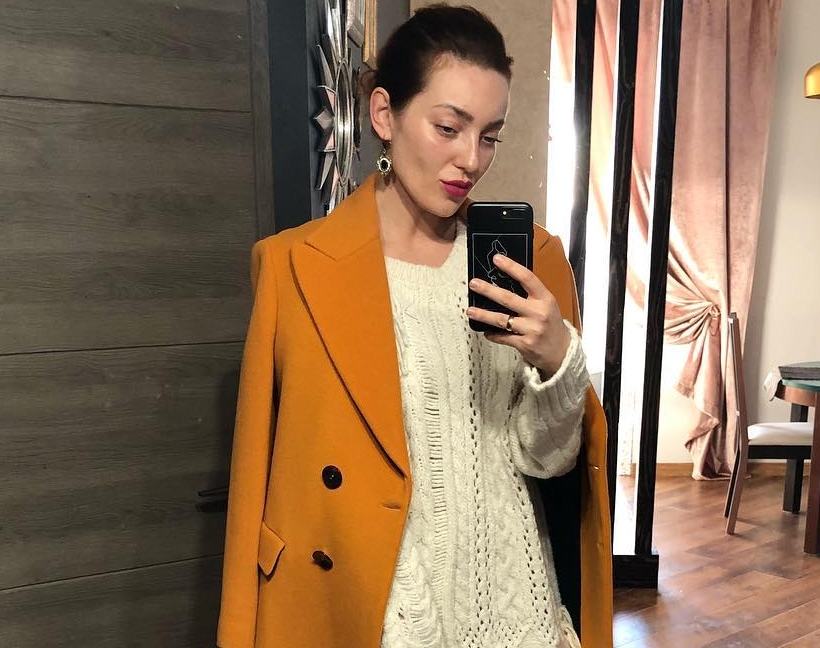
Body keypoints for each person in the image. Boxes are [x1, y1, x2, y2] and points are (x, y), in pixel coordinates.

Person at [217, 5, 612, 647]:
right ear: (384, 115)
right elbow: (256, 485)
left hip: (513, 605)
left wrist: (557, 359)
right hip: (378, 612)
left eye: (489, 136)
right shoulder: (294, 266)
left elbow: (545, 459)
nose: (470, 159)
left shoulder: (535, 262)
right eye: (448, 127)